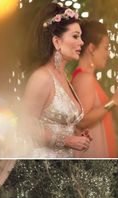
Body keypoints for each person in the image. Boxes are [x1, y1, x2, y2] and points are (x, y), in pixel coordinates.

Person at [22, 2, 91, 158]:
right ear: (57, 42)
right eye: (75, 36)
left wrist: (77, 136)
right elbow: (25, 126)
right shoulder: (42, 78)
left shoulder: (63, 77)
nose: (82, 42)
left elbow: (56, 124)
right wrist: (67, 140)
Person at [71, 20, 118, 158]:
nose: (108, 54)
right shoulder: (85, 78)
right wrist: (114, 102)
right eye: (106, 48)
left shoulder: (86, 77)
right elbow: (81, 121)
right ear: (92, 48)